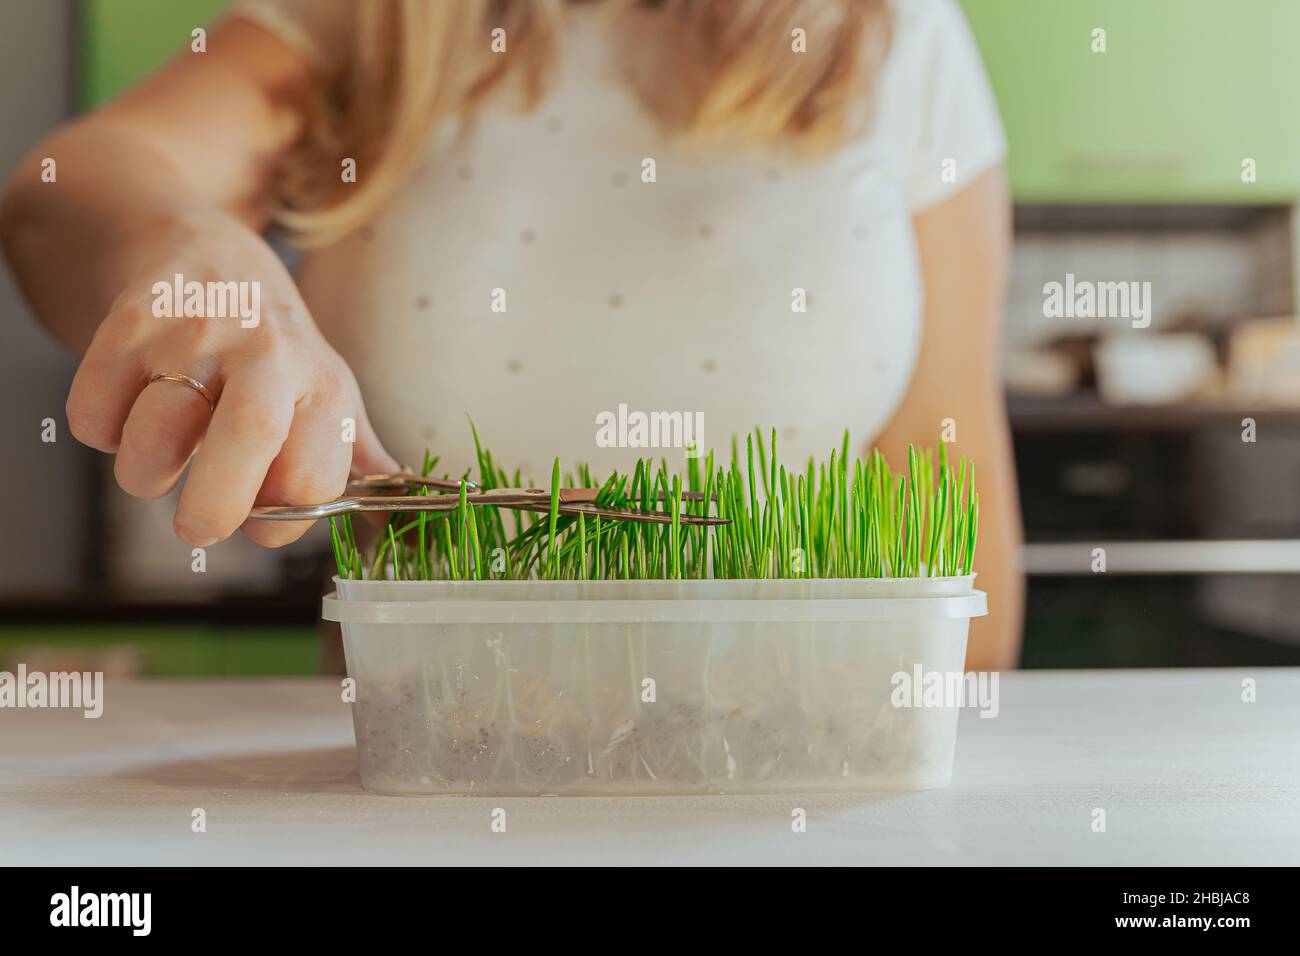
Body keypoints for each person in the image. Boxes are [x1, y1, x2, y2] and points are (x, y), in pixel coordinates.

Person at [0, 0, 1023, 668]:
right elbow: (67, 189)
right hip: (427, 793)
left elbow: (952, 502)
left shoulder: (894, 32)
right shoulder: (381, 22)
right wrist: (193, 253)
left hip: (797, 790)